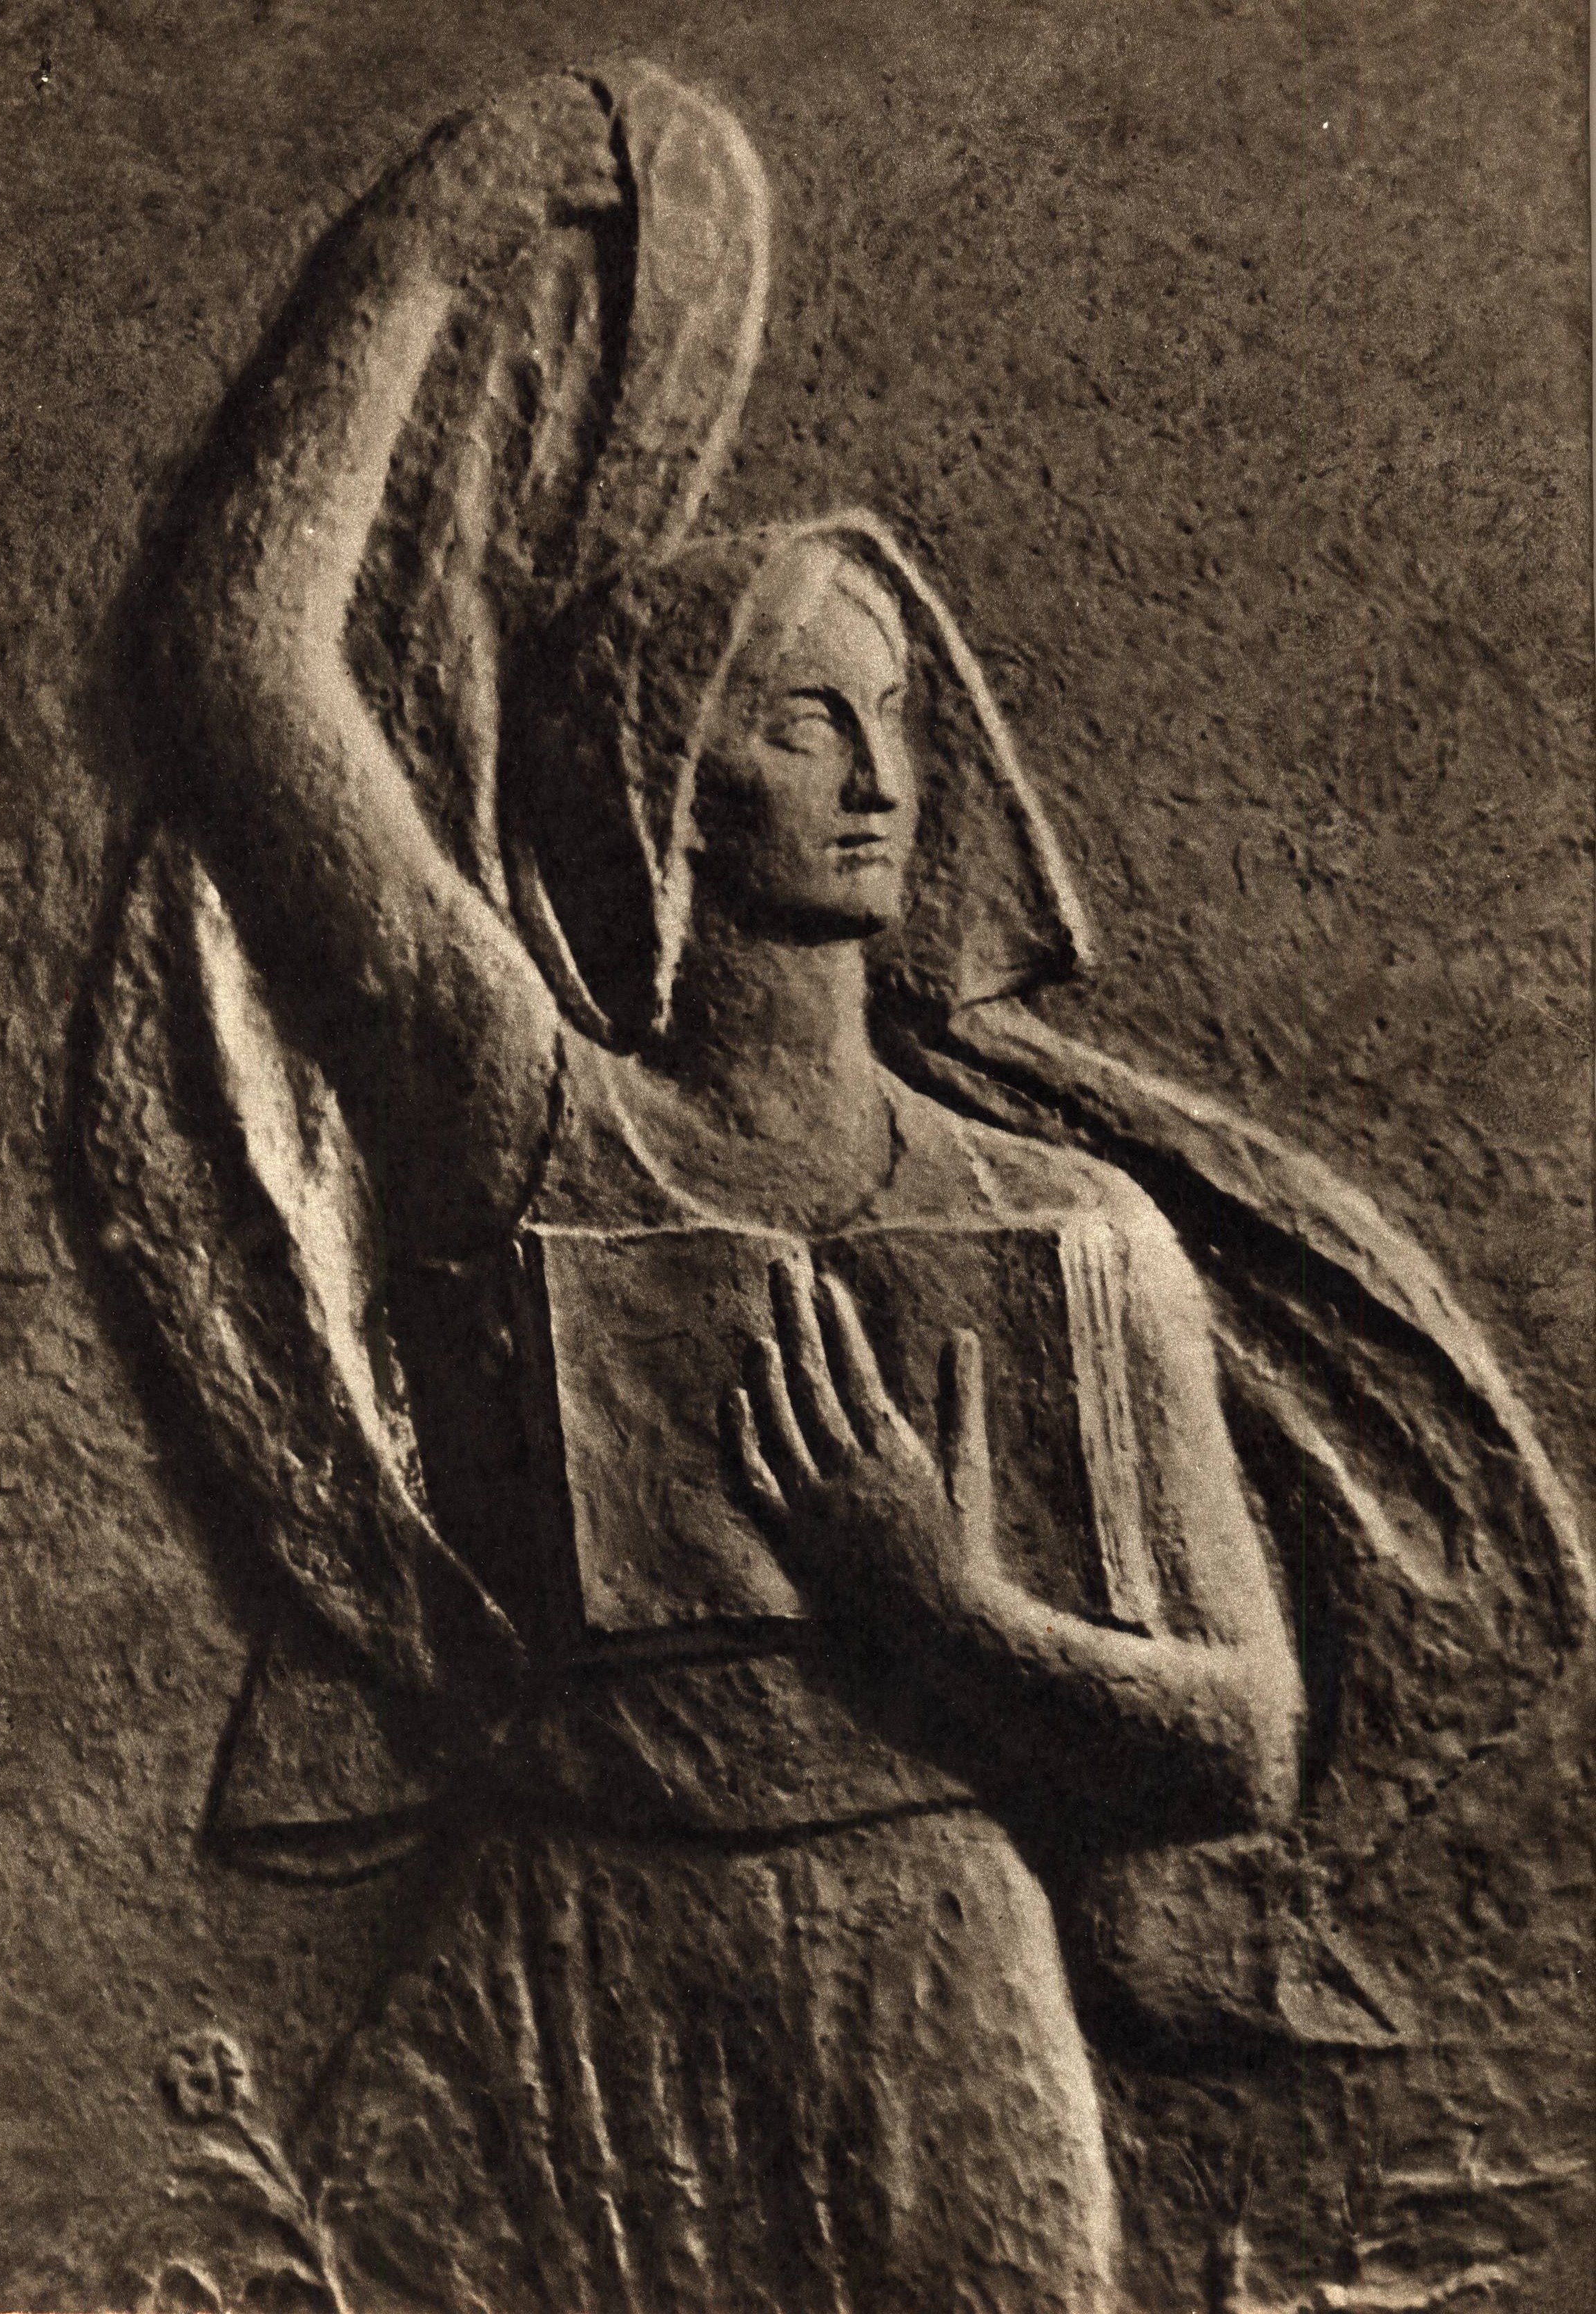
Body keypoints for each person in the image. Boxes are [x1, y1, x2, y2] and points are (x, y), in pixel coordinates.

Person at [87, 68, 1579, 2314]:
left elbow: (1244, 1739)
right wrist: (443, 229)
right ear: (660, 779)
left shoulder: (1073, 1233)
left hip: (929, 1974)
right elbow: (236, 670)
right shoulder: (531, 1127)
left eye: (896, 719)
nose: (882, 772)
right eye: (803, 717)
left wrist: (939, 1604)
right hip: (556, 1965)